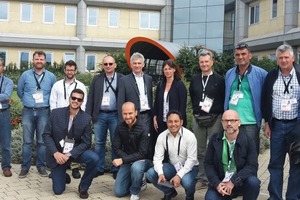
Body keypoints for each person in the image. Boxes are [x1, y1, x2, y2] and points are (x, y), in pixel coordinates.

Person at [42, 89, 99, 199]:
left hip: (74, 153)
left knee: (94, 158)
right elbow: (46, 135)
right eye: (73, 98)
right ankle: (63, 176)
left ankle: (83, 187)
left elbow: (87, 142)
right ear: (69, 98)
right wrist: (55, 153)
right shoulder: (56, 113)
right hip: (57, 154)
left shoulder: (86, 118)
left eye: (79, 99)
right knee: (58, 191)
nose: (75, 101)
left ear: (82, 102)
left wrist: (69, 154)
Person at [262, 43, 300, 200]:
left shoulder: (299, 74)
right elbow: (264, 100)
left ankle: (293, 197)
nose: (284, 60)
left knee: (297, 165)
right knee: (275, 165)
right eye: (280, 58)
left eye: (286, 57)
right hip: (276, 126)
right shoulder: (271, 76)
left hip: (296, 127)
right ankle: (275, 197)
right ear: (277, 59)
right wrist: (267, 122)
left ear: (293, 58)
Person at [204, 110, 260, 200]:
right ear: (222, 123)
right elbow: (208, 163)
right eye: (226, 121)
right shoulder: (215, 139)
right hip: (221, 182)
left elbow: (252, 166)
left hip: (240, 181)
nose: (229, 123)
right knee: (210, 198)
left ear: (239, 123)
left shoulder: (248, 140)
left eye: (233, 120)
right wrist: (217, 184)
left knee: (253, 182)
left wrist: (233, 181)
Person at [17, 51, 56, 178]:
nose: (39, 61)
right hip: (28, 111)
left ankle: (41, 166)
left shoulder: (51, 76)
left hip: (44, 112)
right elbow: (19, 91)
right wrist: (27, 101)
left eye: (41, 59)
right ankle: (25, 168)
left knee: (42, 141)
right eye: (36, 59)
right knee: (27, 142)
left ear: (45, 61)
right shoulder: (25, 75)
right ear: (33, 60)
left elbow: (53, 93)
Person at [189, 49, 225, 189]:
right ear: (199, 63)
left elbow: (222, 97)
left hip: (215, 117)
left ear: (212, 63)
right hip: (199, 118)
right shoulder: (195, 79)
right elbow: (193, 96)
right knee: (200, 149)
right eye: (201, 62)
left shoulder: (219, 80)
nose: (204, 64)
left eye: (206, 62)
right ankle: (202, 179)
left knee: (216, 148)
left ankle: (216, 178)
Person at [224, 42, 267, 156]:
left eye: (243, 54)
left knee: (251, 154)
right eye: (237, 55)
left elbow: (268, 94)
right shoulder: (229, 73)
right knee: (232, 153)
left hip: (250, 121)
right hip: (232, 121)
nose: (240, 57)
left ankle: (251, 174)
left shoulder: (261, 73)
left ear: (250, 55)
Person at [146, 110, 199, 200]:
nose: (173, 124)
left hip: (190, 167)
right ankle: (170, 192)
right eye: (170, 121)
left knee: (187, 181)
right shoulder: (162, 136)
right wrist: (160, 173)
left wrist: (179, 176)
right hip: (172, 166)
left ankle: (189, 196)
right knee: (151, 174)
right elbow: (157, 158)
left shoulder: (190, 136)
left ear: (181, 122)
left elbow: (191, 160)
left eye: (176, 121)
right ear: (166, 123)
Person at [86, 55, 123, 178]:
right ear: (103, 66)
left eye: (110, 64)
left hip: (115, 115)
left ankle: (115, 168)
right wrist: (88, 116)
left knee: (116, 143)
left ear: (115, 65)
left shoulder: (122, 79)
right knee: (99, 143)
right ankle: (99, 168)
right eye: (105, 64)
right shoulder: (97, 79)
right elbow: (90, 97)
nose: (108, 66)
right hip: (99, 115)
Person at [49, 59, 87, 179]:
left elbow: (83, 103)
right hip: (59, 119)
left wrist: (81, 118)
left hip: (75, 118)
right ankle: (58, 168)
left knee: (73, 143)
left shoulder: (80, 85)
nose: (70, 72)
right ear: (64, 70)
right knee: (58, 143)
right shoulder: (57, 85)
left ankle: (74, 168)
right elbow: (52, 101)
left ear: (75, 71)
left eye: (72, 70)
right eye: (68, 69)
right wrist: (54, 117)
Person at [112, 102, 152, 200]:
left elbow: (142, 153)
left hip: (143, 160)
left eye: (130, 113)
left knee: (136, 167)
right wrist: (127, 159)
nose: (128, 116)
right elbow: (116, 147)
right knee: (119, 192)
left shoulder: (144, 128)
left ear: (136, 113)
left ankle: (135, 190)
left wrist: (123, 160)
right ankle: (135, 179)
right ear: (122, 114)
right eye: (125, 114)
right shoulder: (120, 126)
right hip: (128, 160)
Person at [117, 52, 153, 134]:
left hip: (147, 115)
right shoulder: (124, 80)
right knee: (132, 140)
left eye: (139, 63)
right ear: (131, 65)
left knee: (147, 140)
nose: (137, 65)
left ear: (143, 64)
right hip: (133, 116)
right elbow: (120, 102)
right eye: (135, 63)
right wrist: (121, 120)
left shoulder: (149, 79)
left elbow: (150, 97)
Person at [153, 59, 187, 134]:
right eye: (165, 69)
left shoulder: (180, 85)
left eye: (169, 69)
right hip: (162, 121)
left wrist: (180, 121)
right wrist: (155, 116)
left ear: (174, 69)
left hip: (175, 123)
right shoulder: (160, 85)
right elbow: (156, 103)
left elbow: (182, 105)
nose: (167, 71)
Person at [0, 58, 14, 177]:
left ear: (2, 68)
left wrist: (3, 96)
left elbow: (7, 95)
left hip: (3, 113)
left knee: (5, 143)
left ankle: (6, 167)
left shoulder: (8, 81)